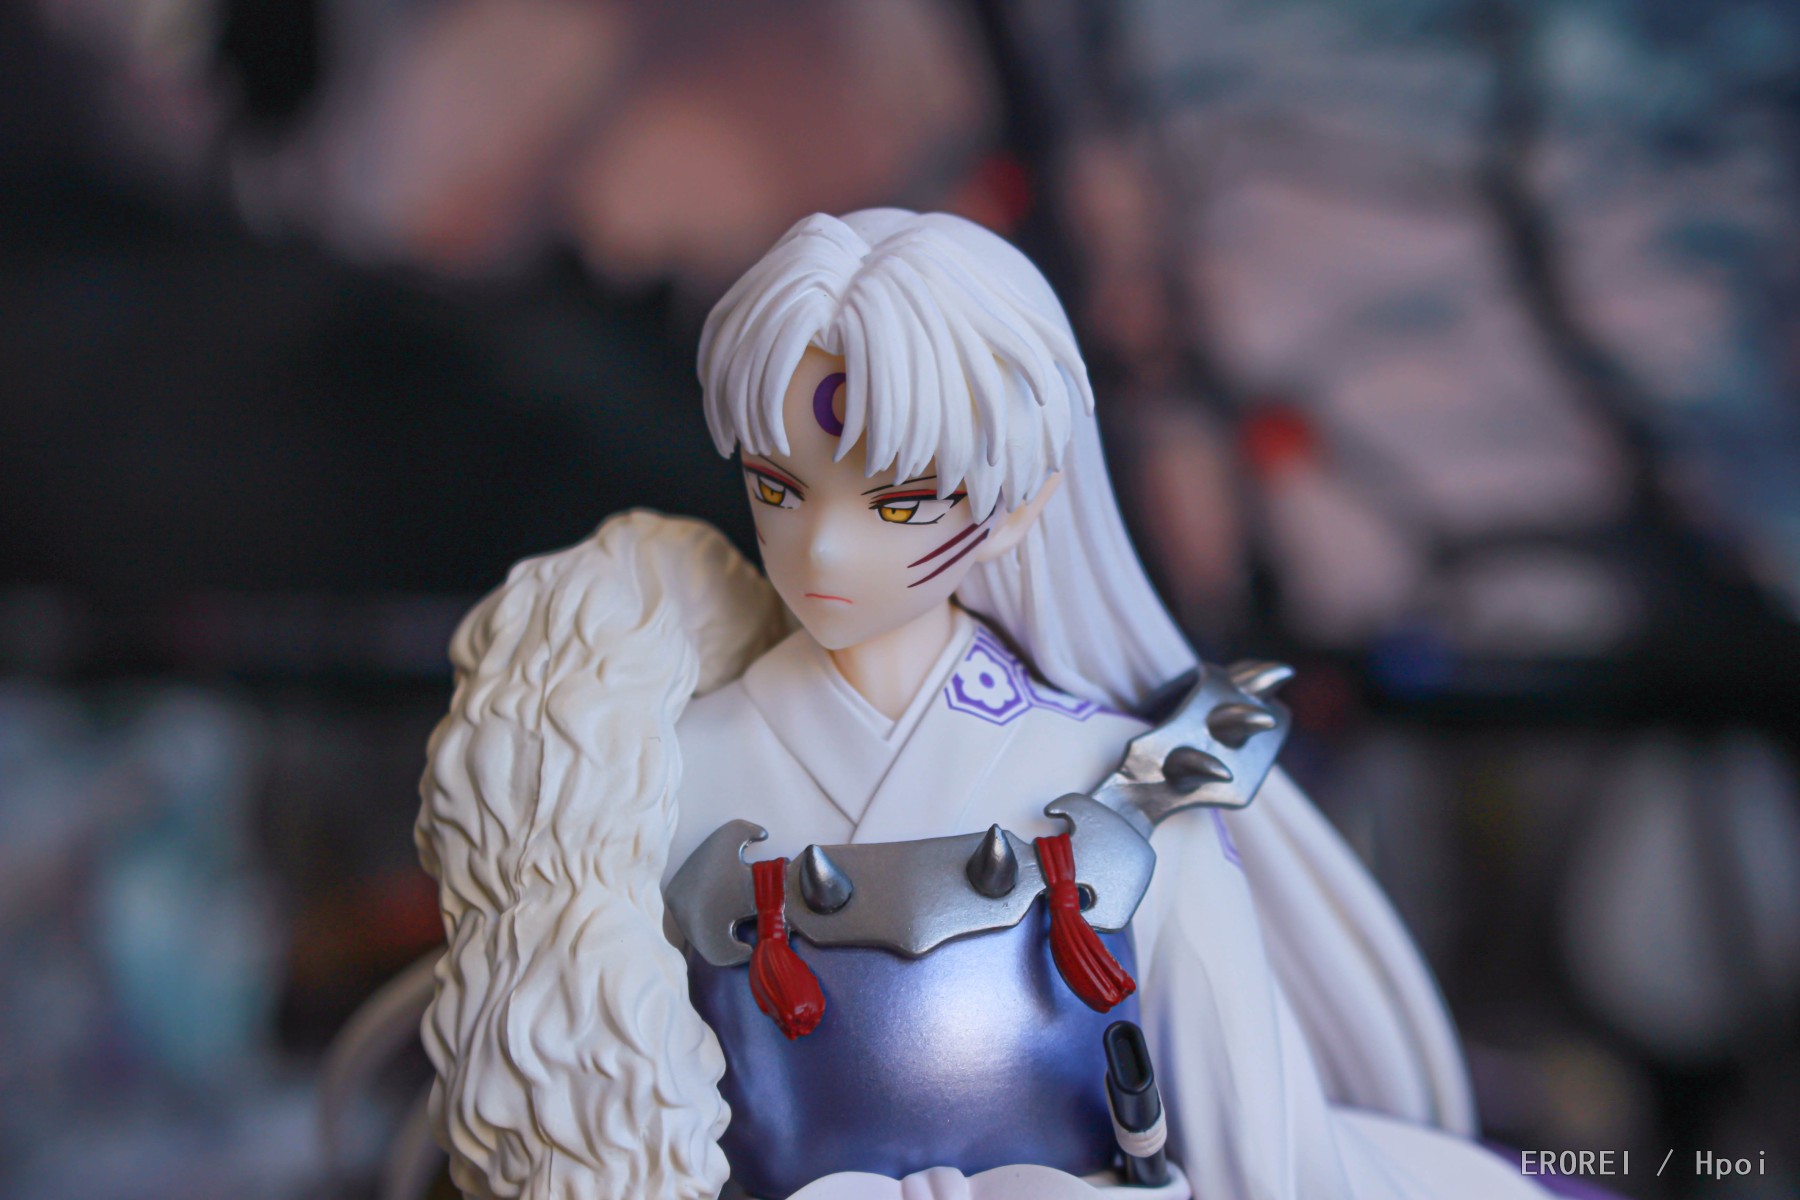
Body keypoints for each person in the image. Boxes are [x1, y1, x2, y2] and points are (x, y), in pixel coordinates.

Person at [414, 210, 1552, 1199]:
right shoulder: (663, 782)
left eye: (898, 501)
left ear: (1021, 504)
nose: (823, 546)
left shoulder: (1126, 780)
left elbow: (1264, 1159)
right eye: (778, 486)